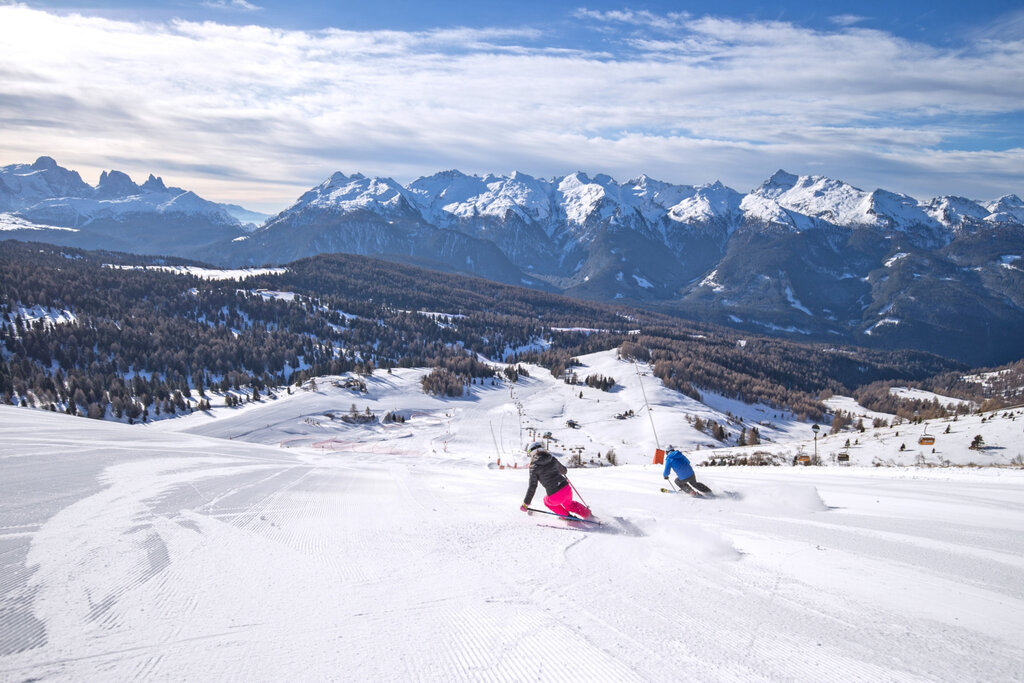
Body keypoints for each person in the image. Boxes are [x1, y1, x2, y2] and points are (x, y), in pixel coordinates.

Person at [520, 441, 592, 519]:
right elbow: (564, 470)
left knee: (546, 501)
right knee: (569, 505)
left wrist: (526, 503)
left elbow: (532, 486)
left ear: (531, 453)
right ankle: (588, 515)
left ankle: (566, 517)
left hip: (554, 495)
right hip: (566, 489)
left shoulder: (534, 466)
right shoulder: (551, 458)